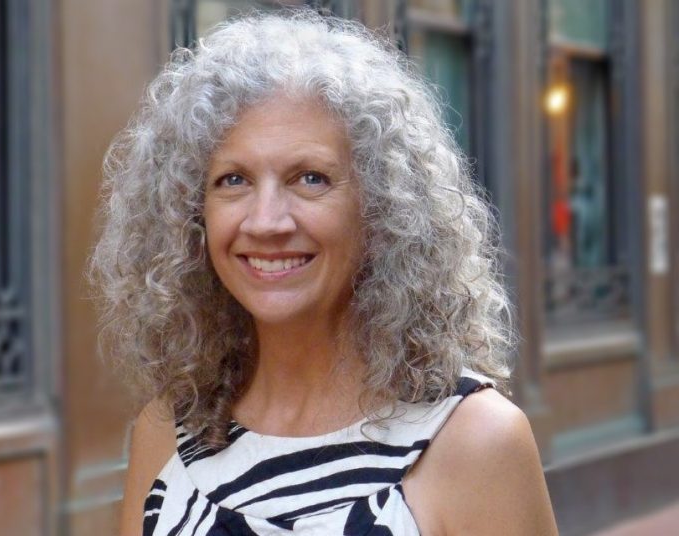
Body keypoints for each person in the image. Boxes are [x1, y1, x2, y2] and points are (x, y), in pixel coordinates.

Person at [91, 10, 558, 536]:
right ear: (192, 213)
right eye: (233, 180)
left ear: (382, 207)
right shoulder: (169, 432)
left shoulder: (475, 442)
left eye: (310, 178)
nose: (266, 221)